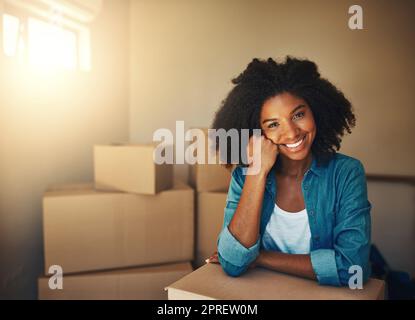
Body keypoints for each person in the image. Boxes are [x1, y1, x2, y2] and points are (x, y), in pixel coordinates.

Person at [206, 57, 372, 287]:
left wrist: (260, 257)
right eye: (273, 124)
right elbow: (233, 263)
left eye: (298, 115)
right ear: (257, 133)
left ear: (316, 111)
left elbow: (353, 269)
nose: (292, 133)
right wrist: (257, 173)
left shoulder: (346, 173)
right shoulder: (244, 176)